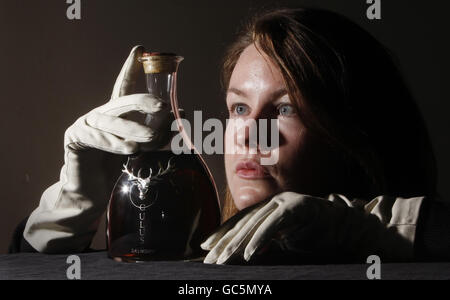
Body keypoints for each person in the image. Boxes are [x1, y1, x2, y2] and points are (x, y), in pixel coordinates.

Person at [19, 8, 450, 264]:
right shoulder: (192, 245)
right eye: (239, 108)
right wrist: (71, 209)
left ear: (357, 134)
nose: (248, 134)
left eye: (285, 109)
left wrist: (368, 227)